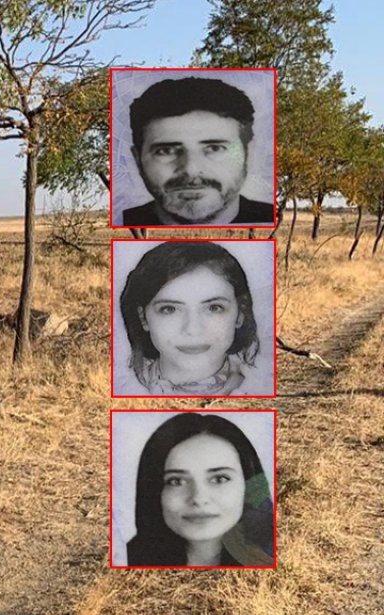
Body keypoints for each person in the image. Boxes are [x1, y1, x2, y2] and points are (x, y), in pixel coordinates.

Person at [124, 413, 274, 567]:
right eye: (176, 481)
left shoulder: (283, 556)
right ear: (154, 492)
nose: (199, 498)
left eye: (219, 479)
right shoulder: (124, 560)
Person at [116, 241, 266, 396]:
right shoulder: (122, 390)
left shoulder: (258, 390)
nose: (193, 330)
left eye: (214, 308)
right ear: (143, 318)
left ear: (240, 314)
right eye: (169, 309)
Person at [120, 76, 274, 226]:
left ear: (249, 154)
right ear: (137, 159)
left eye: (215, 148)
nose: (191, 170)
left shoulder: (268, 216)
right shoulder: (124, 219)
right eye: (166, 151)